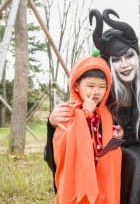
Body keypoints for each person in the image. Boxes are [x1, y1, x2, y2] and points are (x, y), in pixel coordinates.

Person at [45, 9, 140, 204]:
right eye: (116, 60)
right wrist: (52, 121)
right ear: (108, 64)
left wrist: (125, 135)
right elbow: (80, 113)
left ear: (136, 56)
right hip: (105, 148)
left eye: (129, 56)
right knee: (122, 159)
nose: (125, 65)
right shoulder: (104, 88)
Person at [45, 50, 124, 204]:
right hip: (77, 174)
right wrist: (85, 113)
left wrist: (116, 135)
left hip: (102, 173)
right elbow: (63, 143)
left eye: (102, 87)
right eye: (90, 85)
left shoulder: (106, 113)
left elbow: (107, 137)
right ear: (76, 85)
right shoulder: (67, 110)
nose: (96, 92)